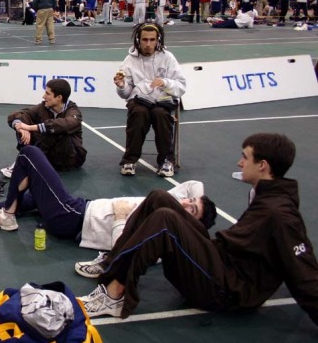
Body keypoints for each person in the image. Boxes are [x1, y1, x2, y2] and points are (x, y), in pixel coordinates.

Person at [78, 133, 318, 326]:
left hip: (228, 291)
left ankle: (115, 294)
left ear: (263, 165)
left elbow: (302, 268)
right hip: (222, 262)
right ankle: (111, 263)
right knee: (159, 198)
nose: (239, 162)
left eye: (245, 157)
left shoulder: (280, 214)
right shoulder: (264, 192)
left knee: (165, 220)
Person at [0, 145, 215, 244]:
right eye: (189, 201)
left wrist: (119, 218)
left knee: (30, 154)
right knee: (39, 193)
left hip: (73, 219)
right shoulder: (170, 205)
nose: (185, 201)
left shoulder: (163, 230)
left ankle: (8, 214)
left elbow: (121, 248)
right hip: (81, 208)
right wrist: (195, 206)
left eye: (190, 208)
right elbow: (194, 184)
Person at [114, 23, 185, 178]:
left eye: (152, 40)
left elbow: (181, 86)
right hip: (139, 100)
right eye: (144, 39)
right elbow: (126, 94)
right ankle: (130, 160)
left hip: (162, 100)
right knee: (139, 113)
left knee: (161, 115)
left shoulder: (168, 58)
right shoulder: (129, 60)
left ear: (158, 40)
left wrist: (165, 82)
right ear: (138, 40)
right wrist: (121, 85)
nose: (148, 44)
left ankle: (166, 161)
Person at [0, 78, 87, 179]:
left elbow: (66, 123)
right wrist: (21, 127)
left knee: (55, 130)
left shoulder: (74, 111)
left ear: (59, 97)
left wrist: (32, 127)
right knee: (22, 124)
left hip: (70, 158)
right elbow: (18, 114)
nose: (43, 96)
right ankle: (28, 161)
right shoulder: (43, 107)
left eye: (48, 94)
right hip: (50, 156)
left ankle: (27, 163)